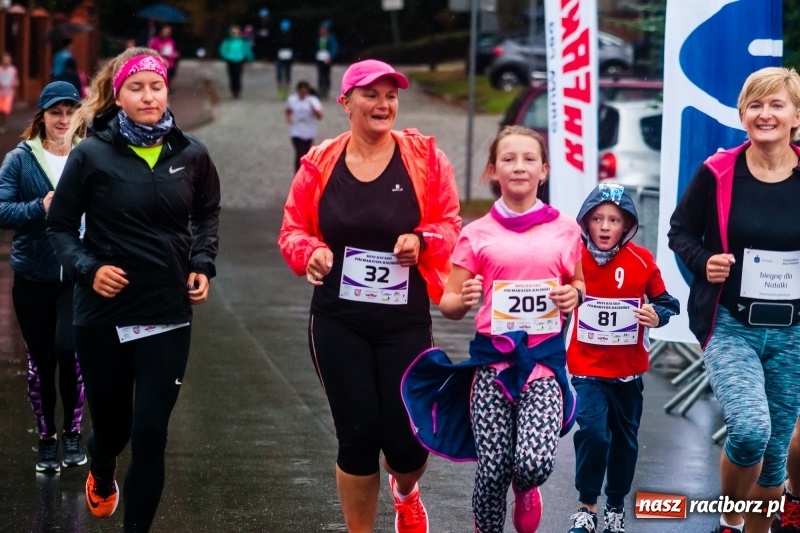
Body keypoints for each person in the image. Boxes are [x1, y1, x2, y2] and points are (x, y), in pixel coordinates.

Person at [278, 59, 461, 533]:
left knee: (407, 442)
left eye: (391, 96)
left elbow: (449, 224)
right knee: (357, 435)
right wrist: (310, 252)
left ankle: (406, 492)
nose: (384, 105)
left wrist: (422, 240)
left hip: (404, 321)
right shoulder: (319, 163)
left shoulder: (424, 159)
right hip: (339, 320)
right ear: (345, 103)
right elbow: (293, 230)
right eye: (371, 95)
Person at [46, 47, 221, 531]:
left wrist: (202, 264)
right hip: (102, 314)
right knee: (114, 429)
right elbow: (59, 227)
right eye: (136, 87)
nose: (148, 96)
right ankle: (102, 468)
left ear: (167, 90)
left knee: (150, 433)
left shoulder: (192, 154)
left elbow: (206, 213)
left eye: (156, 86)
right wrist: (88, 269)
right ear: (118, 96)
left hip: (167, 310)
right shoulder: (91, 155)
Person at [403, 125, 584, 533]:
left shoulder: (567, 229)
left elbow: (579, 285)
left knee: (532, 462)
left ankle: (526, 487)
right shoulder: (476, 234)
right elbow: (447, 302)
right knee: (492, 467)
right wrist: (462, 300)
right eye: (508, 159)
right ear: (492, 170)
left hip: (543, 365)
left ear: (544, 171)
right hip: (492, 367)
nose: (518, 167)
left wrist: (574, 296)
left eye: (528, 159)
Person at [668, 66, 800, 533]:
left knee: (774, 453)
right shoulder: (718, 171)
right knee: (749, 430)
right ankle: (729, 521)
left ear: (796, 116)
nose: (766, 114)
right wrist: (704, 260)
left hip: (793, 331)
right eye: (756, 105)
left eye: (776, 104)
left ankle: (758, 528)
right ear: (743, 114)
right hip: (731, 324)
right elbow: (680, 232)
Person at [566, 184, 680, 533]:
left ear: (626, 225)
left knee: (625, 443)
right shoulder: (572, 258)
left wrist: (657, 315)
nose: (603, 226)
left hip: (628, 373)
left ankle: (615, 506)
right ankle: (586, 508)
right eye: (597, 218)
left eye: (613, 220)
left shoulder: (642, 259)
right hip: (587, 369)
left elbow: (668, 303)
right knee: (594, 434)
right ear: (585, 222)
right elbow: (553, 293)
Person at [0, 81, 85, 474]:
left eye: (70, 112)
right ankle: (46, 438)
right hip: (34, 275)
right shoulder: (20, 160)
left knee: (71, 354)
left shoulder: (89, 156)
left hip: (78, 276)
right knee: (41, 360)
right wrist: (40, 206)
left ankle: (73, 433)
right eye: (56, 113)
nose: (63, 120)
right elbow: (1, 211)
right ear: (42, 116)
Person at [285, 80, 323, 172]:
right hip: (296, 131)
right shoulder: (292, 99)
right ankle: (297, 173)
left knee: (305, 153)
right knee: (299, 152)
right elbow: (288, 110)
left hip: (308, 132)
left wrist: (313, 107)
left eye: (304, 92)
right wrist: (289, 118)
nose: (303, 94)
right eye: (301, 92)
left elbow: (319, 116)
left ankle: (304, 173)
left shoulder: (313, 100)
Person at [219, 25, 254, 99]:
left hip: (239, 60)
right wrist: (226, 56)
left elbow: (247, 50)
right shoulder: (227, 41)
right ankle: (233, 90)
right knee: (232, 76)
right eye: (234, 32)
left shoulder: (242, 41)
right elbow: (223, 50)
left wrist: (248, 58)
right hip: (230, 60)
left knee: (238, 76)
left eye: (237, 32)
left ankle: (237, 90)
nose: (235, 34)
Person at [315, 21, 339, 99]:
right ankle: (320, 90)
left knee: (326, 75)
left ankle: (326, 91)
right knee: (320, 75)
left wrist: (330, 57)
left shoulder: (331, 38)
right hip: (320, 58)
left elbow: (334, 48)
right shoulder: (319, 38)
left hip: (327, 58)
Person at [275, 19, 295, 97]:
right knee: (280, 73)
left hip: (288, 55)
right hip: (281, 55)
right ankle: (280, 90)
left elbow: (293, 46)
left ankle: (286, 90)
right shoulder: (279, 36)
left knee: (287, 73)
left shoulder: (291, 36)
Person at [0, 51, 18, 132]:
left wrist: (15, 85)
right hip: (0, 92)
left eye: (8, 59)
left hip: (8, 92)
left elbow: (15, 80)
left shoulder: (12, 70)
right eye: (5, 59)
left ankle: (3, 124)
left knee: (5, 109)